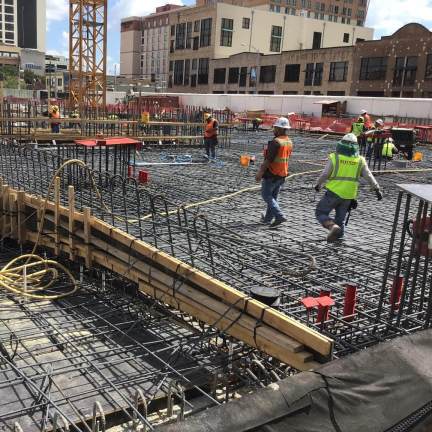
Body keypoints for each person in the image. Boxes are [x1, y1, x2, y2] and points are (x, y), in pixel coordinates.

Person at [314, 133, 382, 242]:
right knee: (340, 220)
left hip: (334, 192)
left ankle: (332, 227)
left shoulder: (335, 157)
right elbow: (368, 175)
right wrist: (377, 189)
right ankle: (338, 243)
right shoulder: (360, 160)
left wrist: (318, 184)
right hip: (349, 195)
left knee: (320, 212)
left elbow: (325, 174)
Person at [255, 117, 293, 229]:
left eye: (275, 128)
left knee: (266, 195)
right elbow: (286, 158)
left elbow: (268, 160)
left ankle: (279, 215)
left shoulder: (275, 142)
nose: (273, 130)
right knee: (273, 198)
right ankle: (267, 219)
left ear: (280, 129)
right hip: (282, 175)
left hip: (272, 174)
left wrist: (260, 172)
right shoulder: (289, 141)